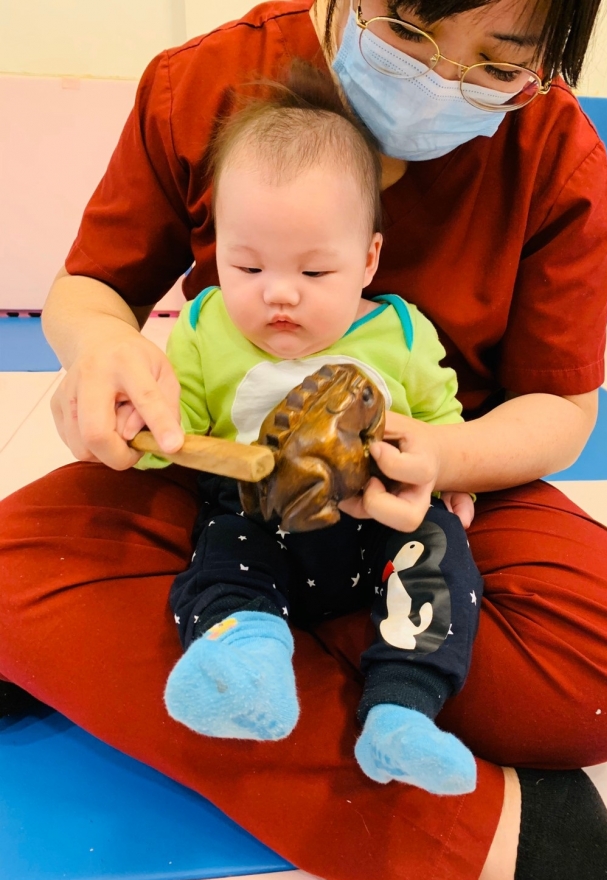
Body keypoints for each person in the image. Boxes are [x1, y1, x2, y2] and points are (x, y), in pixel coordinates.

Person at [1, 0, 607, 880]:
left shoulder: (554, 153)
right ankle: (507, 833)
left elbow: (561, 404)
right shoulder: (198, 85)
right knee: (12, 567)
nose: (440, 81)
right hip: (231, 483)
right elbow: (92, 286)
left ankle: (215, 640)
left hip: (435, 479)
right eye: (406, 32)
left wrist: (443, 456)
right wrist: (103, 352)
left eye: (498, 66)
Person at [146, 79, 484, 796]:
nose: (278, 292)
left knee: (441, 553)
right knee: (220, 551)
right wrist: (139, 428)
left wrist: (455, 474)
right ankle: (248, 661)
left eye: (314, 269)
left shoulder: (401, 333)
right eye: (247, 266)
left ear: (368, 259)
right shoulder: (204, 328)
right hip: (257, 516)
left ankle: (403, 711)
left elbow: (441, 419)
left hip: (379, 520)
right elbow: (174, 430)